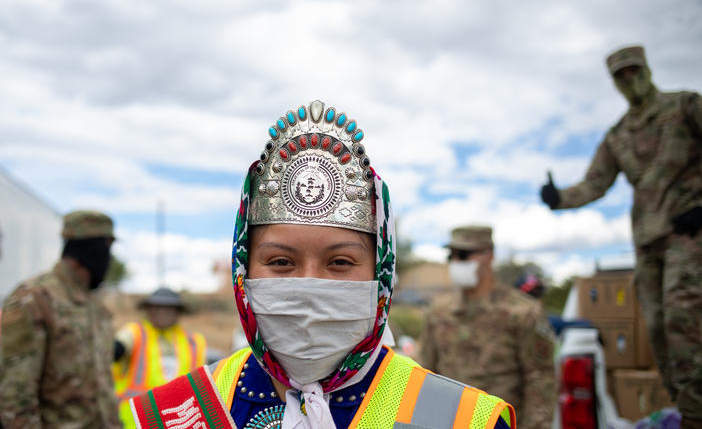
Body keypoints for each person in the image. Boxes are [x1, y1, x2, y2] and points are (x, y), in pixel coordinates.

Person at [125, 100, 516, 428]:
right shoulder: (166, 414)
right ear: (243, 273)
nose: (309, 284)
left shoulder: (465, 419)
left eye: (340, 262)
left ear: (381, 277)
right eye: (280, 262)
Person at [539, 45, 702, 427]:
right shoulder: (619, 135)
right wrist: (559, 198)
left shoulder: (685, 107)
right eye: (621, 76)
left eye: (634, 71)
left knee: (684, 318)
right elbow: (596, 182)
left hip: (690, 232)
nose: (630, 80)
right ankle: (690, 412)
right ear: (615, 83)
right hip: (648, 239)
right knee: (658, 328)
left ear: (646, 69)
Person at [419, 225, 555, 429]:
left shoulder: (522, 311)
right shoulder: (438, 312)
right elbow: (425, 371)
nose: (456, 262)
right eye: (452, 255)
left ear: (489, 255)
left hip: (499, 423)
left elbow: (540, 379)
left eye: (463, 255)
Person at [0, 210, 121, 428]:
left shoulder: (96, 308)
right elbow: (15, 396)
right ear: (90, 248)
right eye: (107, 247)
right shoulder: (34, 299)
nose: (109, 258)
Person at [113, 287, 207, 427]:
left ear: (178, 312)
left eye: (168, 308)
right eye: (157, 308)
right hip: (134, 422)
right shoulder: (136, 333)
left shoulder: (194, 342)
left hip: (177, 422)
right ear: (148, 310)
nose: (162, 313)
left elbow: (202, 386)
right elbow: (117, 348)